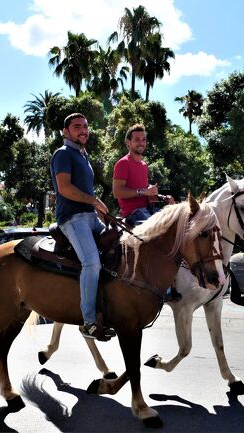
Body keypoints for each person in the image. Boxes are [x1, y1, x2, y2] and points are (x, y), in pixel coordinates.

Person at [50, 113, 115, 341]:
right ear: (66, 132)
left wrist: (98, 208)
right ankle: (88, 322)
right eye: (77, 127)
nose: (83, 130)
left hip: (89, 216)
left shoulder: (82, 155)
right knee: (92, 262)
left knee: (119, 244)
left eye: (86, 126)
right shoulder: (63, 154)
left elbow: (85, 192)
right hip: (73, 218)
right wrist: (94, 201)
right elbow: (65, 189)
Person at [112, 124, 182, 302]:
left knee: (178, 227)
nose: (141, 143)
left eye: (143, 139)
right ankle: (161, 286)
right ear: (128, 143)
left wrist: (161, 197)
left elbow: (143, 192)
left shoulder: (143, 165)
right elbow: (117, 192)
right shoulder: (123, 163)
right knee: (162, 237)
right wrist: (145, 192)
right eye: (137, 139)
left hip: (147, 209)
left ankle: (174, 282)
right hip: (133, 213)